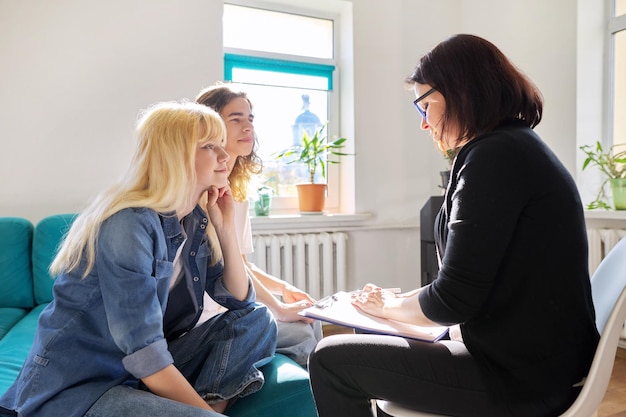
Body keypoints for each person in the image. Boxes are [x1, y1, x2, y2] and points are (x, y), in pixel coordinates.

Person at [308, 34, 600, 417]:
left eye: (425, 105)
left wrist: (390, 307)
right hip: (534, 364)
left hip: (522, 379)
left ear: (462, 91)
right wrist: (391, 307)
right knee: (371, 331)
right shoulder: (511, 146)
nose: (424, 123)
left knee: (331, 359)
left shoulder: (495, 157)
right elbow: (466, 284)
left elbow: (452, 299)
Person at [0, 101, 277, 417]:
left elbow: (239, 302)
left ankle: (206, 409)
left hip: (137, 375)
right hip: (82, 386)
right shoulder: (129, 224)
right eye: (210, 147)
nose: (225, 156)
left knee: (257, 319)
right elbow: (145, 352)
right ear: (176, 155)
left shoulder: (195, 220)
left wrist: (226, 231)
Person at [195, 83, 323, 367]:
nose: (248, 127)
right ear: (210, 127)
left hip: (234, 300)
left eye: (250, 119)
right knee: (301, 332)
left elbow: (239, 262)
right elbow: (226, 270)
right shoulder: (200, 193)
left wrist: (283, 289)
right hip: (213, 313)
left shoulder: (235, 192)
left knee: (312, 319)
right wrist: (279, 309)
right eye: (236, 119)